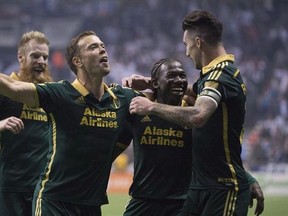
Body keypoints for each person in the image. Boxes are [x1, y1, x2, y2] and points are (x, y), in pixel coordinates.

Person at [129, 10, 264, 216]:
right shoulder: (211, 75)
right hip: (200, 187)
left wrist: (152, 107)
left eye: (187, 45)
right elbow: (191, 91)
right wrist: (151, 82)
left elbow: (199, 115)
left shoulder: (220, 76)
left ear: (198, 42)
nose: (186, 52)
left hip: (224, 187)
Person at [0, 30, 140, 216]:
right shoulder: (60, 94)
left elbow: (160, 105)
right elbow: (12, 88)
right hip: (41, 196)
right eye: (93, 47)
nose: (101, 50)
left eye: (102, 46)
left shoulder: (123, 98)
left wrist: (151, 85)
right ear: (78, 61)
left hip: (89, 201)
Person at [119, 58, 193, 216]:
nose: (179, 80)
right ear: (156, 83)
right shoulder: (138, 106)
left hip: (182, 203)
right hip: (143, 200)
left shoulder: (193, 111)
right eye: (171, 76)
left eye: (182, 76)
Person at [0, 31, 53, 216]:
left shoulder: (48, 93)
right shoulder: (6, 89)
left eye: (45, 57)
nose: (41, 61)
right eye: (35, 56)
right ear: (20, 57)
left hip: (42, 189)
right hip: (10, 188)